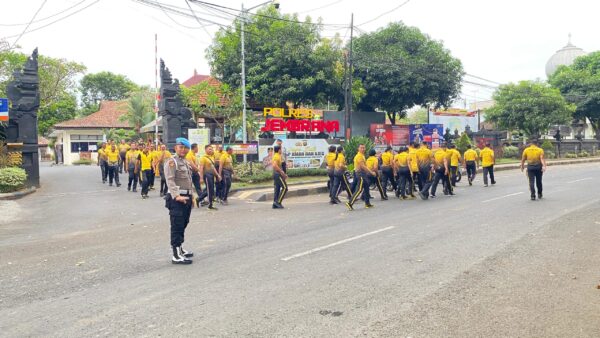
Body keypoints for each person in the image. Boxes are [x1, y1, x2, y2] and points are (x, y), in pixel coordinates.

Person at [164, 137, 194, 265]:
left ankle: (180, 249)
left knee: (183, 224)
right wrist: (176, 196)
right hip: (177, 199)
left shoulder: (185, 162)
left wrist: (192, 196)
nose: (183, 149)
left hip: (186, 198)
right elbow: (170, 180)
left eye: (186, 147)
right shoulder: (172, 162)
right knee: (176, 226)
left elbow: (189, 181)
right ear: (176, 148)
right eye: (181, 147)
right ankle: (176, 256)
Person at [346, 144, 375, 210]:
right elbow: (363, 166)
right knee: (359, 189)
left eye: (364, 148)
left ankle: (367, 203)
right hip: (360, 174)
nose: (363, 149)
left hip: (363, 174)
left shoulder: (362, 156)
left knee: (367, 188)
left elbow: (364, 165)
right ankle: (350, 203)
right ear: (358, 149)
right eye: (361, 148)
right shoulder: (359, 156)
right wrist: (371, 172)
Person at [199, 145, 221, 210]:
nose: (211, 150)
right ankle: (210, 205)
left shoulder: (211, 157)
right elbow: (201, 168)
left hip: (212, 176)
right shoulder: (203, 158)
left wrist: (217, 175)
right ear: (205, 150)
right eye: (209, 149)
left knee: (211, 190)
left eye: (211, 149)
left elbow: (213, 168)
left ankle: (199, 199)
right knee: (209, 190)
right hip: (207, 175)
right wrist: (201, 178)